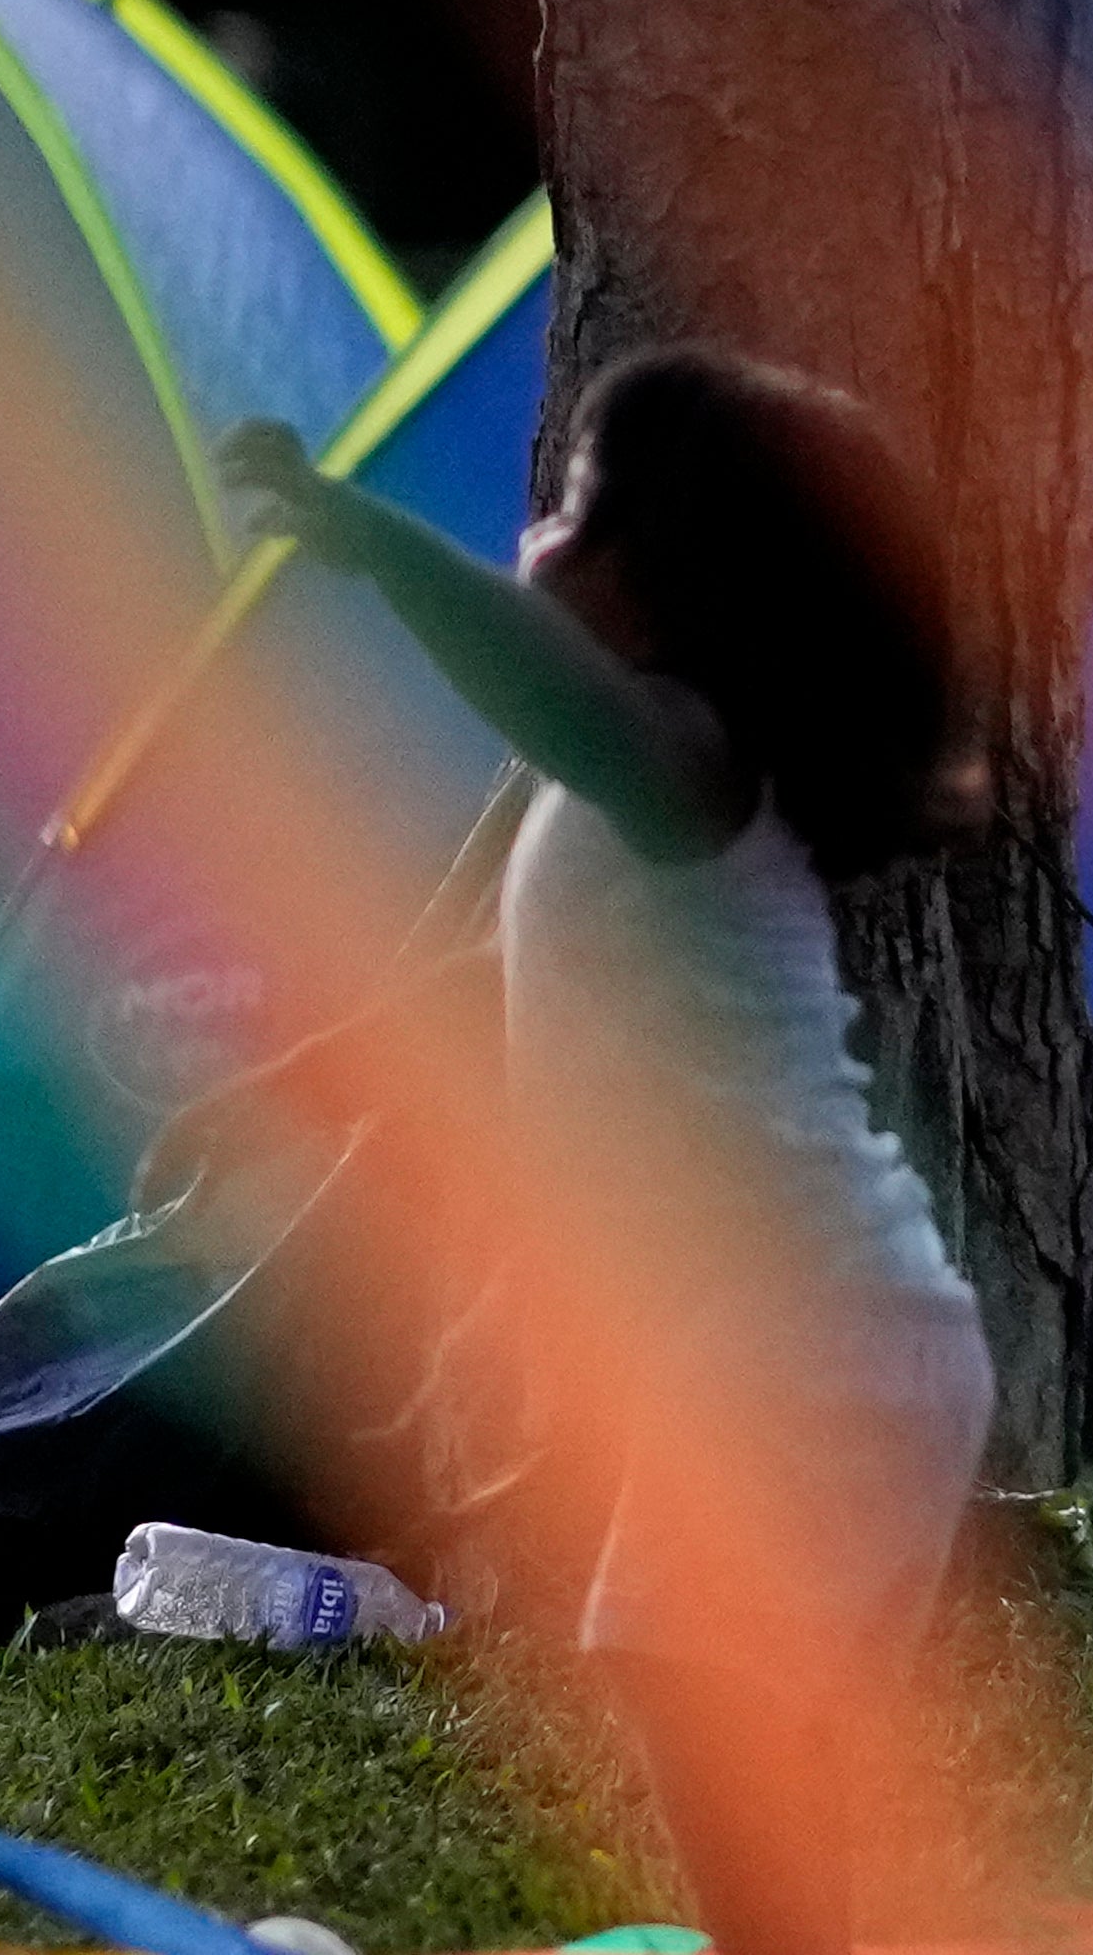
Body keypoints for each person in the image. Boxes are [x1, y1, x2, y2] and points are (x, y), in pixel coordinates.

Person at [225, 348, 991, 1955]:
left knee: (691, 1675)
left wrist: (368, 540)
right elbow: (524, 982)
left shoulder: (681, 764)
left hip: (818, 1346)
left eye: (573, 504)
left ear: (667, 577)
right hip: (810, 1347)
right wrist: (301, 1070)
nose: (536, 533)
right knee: (748, 1714)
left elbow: (547, 694)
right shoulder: (650, 809)